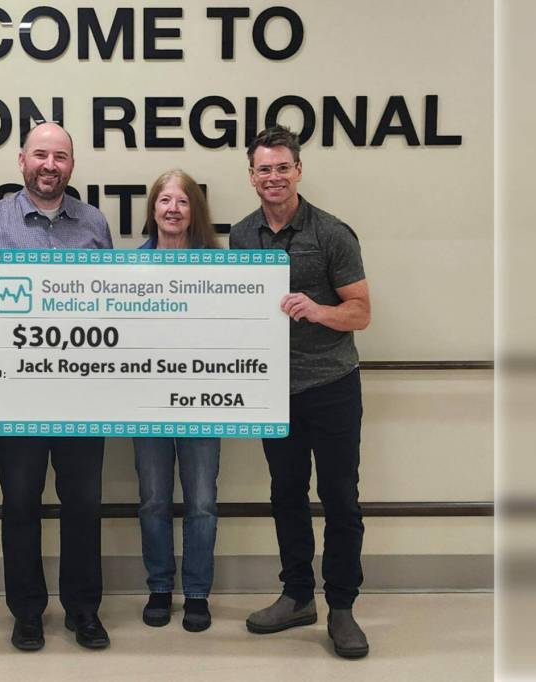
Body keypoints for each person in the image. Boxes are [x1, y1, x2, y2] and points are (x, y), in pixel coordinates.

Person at [0, 122, 114, 651]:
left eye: (61, 157)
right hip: (16, 399)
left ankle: (83, 610)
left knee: (84, 505)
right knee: (20, 504)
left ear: (72, 165)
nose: (50, 165)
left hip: (82, 398)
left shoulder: (94, 223)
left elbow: (110, 306)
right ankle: (27, 612)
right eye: (41, 155)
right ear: (21, 159)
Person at [229, 125, 372, 659]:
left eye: (282, 167)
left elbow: (362, 311)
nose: (273, 177)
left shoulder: (333, 233)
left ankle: (341, 607)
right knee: (285, 493)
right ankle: (296, 596)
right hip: (273, 390)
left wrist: (318, 309)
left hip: (332, 385)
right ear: (251, 176)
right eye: (263, 169)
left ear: (298, 171)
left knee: (340, 498)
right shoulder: (242, 235)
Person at [135, 170, 222, 632]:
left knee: (202, 501)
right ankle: (160, 587)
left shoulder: (223, 268)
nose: (173, 209)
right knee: (152, 499)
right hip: (146, 403)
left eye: (182, 202)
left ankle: (197, 592)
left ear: (195, 212)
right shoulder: (129, 267)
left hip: (204, 402)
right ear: (153, 209)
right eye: (165, 200)